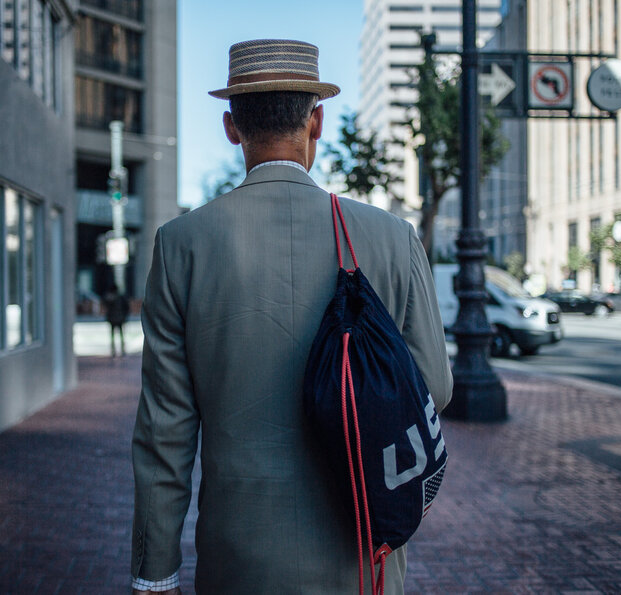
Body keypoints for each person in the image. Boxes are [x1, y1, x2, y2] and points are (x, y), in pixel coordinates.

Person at [130, 39, 452, 594]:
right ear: (317, 121)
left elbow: (166, 434)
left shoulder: (181, 243)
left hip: (238, 559)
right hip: (360, 555)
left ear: (231, 127)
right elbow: (436, 388)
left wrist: (153, 577)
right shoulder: (391, 239)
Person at [102, 283, 129, 357]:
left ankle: (116, 350)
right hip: (118, 319)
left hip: (115, 319)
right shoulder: (118, 297)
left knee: (115, 336)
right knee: (119, 335)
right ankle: (119, 350)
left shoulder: (116, 298)